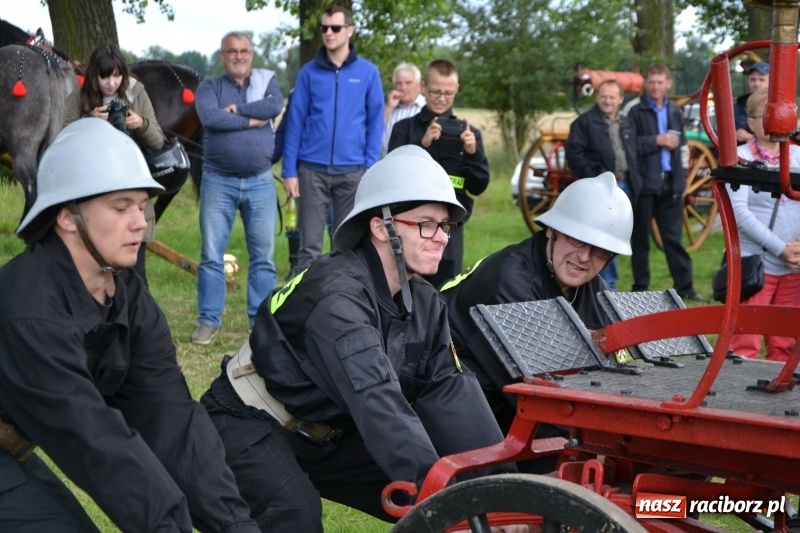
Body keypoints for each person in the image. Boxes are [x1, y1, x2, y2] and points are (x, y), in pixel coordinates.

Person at [200, 145, 511, 532]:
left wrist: (504, 492)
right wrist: (437, 495)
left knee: (461, 503)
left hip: (331, 433)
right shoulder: (337, 297)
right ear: (381, 227)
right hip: (250, 421)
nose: (442, 238)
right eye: (426, 224)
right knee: (295, 513)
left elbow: (453, 392)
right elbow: (376, 397)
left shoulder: (425, 302)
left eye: (445, 226)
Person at [0, 118, 259, 532]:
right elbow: (92, 439)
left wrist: (235, 526)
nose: (140, 221)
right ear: (67, 216)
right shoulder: (31, 309)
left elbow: (171, 421)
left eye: (141, 206)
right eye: (121, 207)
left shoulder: (128, 298)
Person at [440, 172, 632, 438]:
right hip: (459, 399)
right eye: (576, 239)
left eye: (600, 249)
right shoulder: (509, 285)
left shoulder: (594, 290)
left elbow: (620, 372)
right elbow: (539, 401)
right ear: (552, 230)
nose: (584, 257)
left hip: (514, 401)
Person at [192, 31, 283, 344]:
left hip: (260, 181)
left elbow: (274, 106)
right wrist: (251, 120)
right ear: (223, 56)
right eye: (232, 51)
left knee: (264, 257)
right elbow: (211, 118)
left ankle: (260, 322)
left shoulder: (266, 82)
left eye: (244, 50)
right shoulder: (209, 87)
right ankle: (208, 321)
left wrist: (238, 110)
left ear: (251, 54)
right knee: (211, 254)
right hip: (218, 180)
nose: (239, 56)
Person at [281, 5, 384, 273]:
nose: (329, 33)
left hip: (352, 172)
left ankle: (344, 297)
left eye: (335, 28)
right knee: (309, 248)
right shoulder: (308, 73)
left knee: (347, 246)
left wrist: (370, 166)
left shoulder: (368, 72)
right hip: (311, 171)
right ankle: (307, 298)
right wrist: (289, 170)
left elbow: (376, 123)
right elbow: (295, 123)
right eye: (324, 28)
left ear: (350, 31)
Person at [63, 42, 166, 285]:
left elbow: (158, 142)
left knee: (135, 277)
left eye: (117, 76)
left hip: (131, 185)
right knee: (93, 271)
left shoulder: (136, 93)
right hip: (92, 189)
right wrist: (88, 121)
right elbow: (62, 143)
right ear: (94, 76)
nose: (111, 83)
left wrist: (141, 124)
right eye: (105, 77)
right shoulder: (79, 97)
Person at [389, 59, 490, 287]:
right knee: (404, 284)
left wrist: (472, 153)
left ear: (456, 90)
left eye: (448, 93)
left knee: (446, 288)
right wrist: (421, 144)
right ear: (423, 87)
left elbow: (478, 186)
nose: (442, 98)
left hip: (450, 225)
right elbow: (394, 178)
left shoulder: (469, 133)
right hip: (411, 223)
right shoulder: (404, 128)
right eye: (436, 92)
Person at [728, 88, 800, 361]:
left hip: (794, 266)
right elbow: (739, 213)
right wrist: (781, 249)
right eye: (767, 117)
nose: (775, 123)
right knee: (744, 341)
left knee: (785, 343)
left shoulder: (798, 156)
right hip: (756, 265)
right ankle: (737, 389)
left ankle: (778, 387)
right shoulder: (740, 157)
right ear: (751, 122)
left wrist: (797, 250)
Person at [627, 65, 702, 301]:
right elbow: (628, 145)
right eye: (652, 82)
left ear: (669, 84)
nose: (656, 86)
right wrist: (656, 140)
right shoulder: (635, 111)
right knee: (640, 240)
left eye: (660, 82)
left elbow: (682, 147)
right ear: (646, 84)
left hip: (670, 183)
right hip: (644, 184)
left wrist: (682, 180)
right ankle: (640, 288)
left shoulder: (674, 110)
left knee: (673, 239)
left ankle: (685, 287)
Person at [565, 79, 639, 291]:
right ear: (597, 97)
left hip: (626, 185)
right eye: (604, 96)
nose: (608, 101)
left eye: (612, 97)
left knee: (619, 237)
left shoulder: (626, 123)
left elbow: (634, 152)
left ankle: (608, 288)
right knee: (602, 239)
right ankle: (605, 289)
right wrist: (596, 180)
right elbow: (575, 156)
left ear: (620, 99)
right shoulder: (584, 123)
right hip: (600, 190)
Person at [381, 62, 426, 156]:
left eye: (408, 83)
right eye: (399, 83)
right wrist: (389, 107)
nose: (403, 87)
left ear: (419, 85)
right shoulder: (388, 106)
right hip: (386, 160)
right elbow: (375, 130)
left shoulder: (426, 107)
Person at [733, 61, 770, 144]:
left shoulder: (779, 104)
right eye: (753, 79)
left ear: (771, 80)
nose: (756, 84)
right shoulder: (739, 104)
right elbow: (727, 129)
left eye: (761, 79)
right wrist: (736, 132)